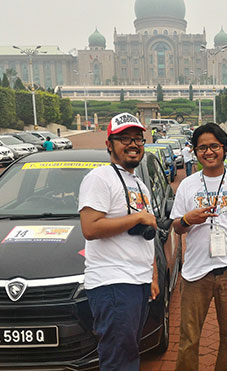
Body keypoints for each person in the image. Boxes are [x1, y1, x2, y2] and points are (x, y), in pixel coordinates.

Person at [170, 122, 227, 371]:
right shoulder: (187, 185)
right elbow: (177, 226)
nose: (208, 152)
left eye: (214, 146)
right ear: (195, 152)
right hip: (195, 274)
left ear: (224, 148)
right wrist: (189, 219)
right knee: (188, 338)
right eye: (202, 148)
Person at [78, 112, 159, 370]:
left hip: (137, 281)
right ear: (109, 144)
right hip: (113, 283)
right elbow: (90, 227)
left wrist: (152, 275)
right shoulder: (99, 178)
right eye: (124, 138)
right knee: (118, 357)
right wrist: (136, 219)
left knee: (130, 351)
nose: (133, 144)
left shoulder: (139, 184)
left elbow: (148, 232)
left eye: (138, 138)